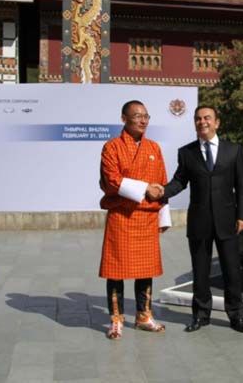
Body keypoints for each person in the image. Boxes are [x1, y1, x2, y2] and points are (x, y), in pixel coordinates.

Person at [153, 105, 243, 333]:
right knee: (200, 272)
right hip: (199, 221)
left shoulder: (233, 150)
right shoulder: (186, 153)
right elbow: (179, 182)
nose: (202, 122)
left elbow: (242, 187)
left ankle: (236, 315)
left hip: (228, 221)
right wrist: (162, 191)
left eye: (207, 118)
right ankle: (201, 315)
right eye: (198, 119)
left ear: (217, 122)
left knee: (232, 271)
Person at [98, 100, 171, 340]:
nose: (142, 120)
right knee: (116, 270)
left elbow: (161, 182)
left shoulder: (154, 148)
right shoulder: (111, 147)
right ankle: (116, 319)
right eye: (137, 116)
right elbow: (111, 181)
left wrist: (163, 214)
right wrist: (145, 189)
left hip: (147, 218)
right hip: (122, 217)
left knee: (145, 269)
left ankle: (143, 316)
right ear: (124, 119)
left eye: (145, 116)